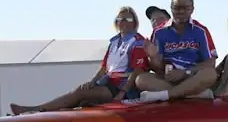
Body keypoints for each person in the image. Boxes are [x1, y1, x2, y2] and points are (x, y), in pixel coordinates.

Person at [10, 6, 150, 114]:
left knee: (79, 93)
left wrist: (122, 93)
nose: (124, 22)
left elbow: (137, 70)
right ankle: (46, 112)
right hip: (108, 84)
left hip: (121, 87)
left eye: (128, 19)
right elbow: (104, 69)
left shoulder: (137, 42)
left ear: (134, 23)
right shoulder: (114, 43)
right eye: (120, 19)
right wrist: (92, 82)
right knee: (82, 92)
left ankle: (37, 109)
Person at [135, 0, 218, 102]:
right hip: (168, 79)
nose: (181, 11)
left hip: (192, 77)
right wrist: (153, 57)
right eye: (177, 7)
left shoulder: (201, 31)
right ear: (171, 8)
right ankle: (192, 93)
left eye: (186, 8)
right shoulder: (159, 32)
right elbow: (156, 67)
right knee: (141, 79)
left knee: (210, 74)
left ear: (192, 9)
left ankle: (166, 95)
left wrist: (185, 72)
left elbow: (210, 63)